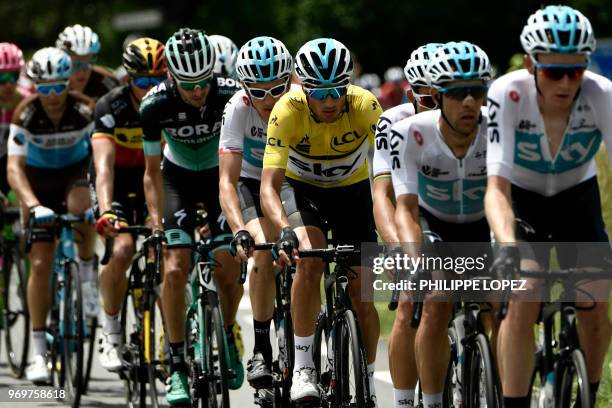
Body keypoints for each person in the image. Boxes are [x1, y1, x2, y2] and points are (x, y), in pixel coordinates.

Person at [485, 6, 612, 408]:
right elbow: (496, 189)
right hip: (521, 199)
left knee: (595, 298)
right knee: (525, 290)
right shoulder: (506, 94)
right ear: (530, 64)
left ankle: (588, 394)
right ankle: (514, 401)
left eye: (576, 70)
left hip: (577, 195)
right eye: (554, 71)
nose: (567, 82)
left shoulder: (602, 95)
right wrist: (508, 244)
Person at [260, 37, 382, 406]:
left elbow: (392, 170)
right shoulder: (287, 110)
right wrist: (283, 229)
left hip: (352, 193)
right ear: (303, 88)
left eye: (337, 90)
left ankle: (369, 380)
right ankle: (303, 366)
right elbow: (269, 185)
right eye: (319, 91)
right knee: (309, 260)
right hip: (304, 192)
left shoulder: (365, 106)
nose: (329, 100)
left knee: (364, 294)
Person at [140, 27, 243, 405]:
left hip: (220, 177)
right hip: (176, 180)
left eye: (204, 82)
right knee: (174, 267)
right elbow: (151, 172)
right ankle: (178, 365)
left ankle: (228, 331)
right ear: (171, 77)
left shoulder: (231, 93)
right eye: (188, 84)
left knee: (228, 265)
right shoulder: (154, 105)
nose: (198, 91)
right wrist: (155, 221)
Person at [392, 41, 492, 408]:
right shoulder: (410, 132)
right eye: (457, 93)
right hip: (432, 222)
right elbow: (403, 207)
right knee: (436, 300)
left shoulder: (496, 126)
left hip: (484, 220)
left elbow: (512, 194)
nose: (469, 102)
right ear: (436, 94)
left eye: (477, 92)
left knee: (502, 301)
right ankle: (432, 401)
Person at [7, 47, 96, 383]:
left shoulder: (84, 110)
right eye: (44, 89)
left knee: (81, 209)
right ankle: (39, 352)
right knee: (41, 263)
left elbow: (100, 160)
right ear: (36, 88)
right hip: (38, 184)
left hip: (74, 174)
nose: (53, 95)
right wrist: (31, 206)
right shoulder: (25, 114)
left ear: (67, 83)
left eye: (59, 87)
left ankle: (87, 281)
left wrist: (98, 201)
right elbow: (14, 170)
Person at [219, 35, 294, 404]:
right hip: (251, 182)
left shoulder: (303, 100)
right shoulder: (236, 108)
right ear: (243, 87)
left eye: (278, 88)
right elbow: (227, 182)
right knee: (262, 249)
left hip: (294, 181)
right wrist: (237, 231)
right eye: (258, 92)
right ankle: (262, 348)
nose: (268, 100)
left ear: (291, 80)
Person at [91, 37, 167, 372]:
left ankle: (168, 341)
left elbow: (170, 161)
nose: (150, 88)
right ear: (128, 79)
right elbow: (103, 168)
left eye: (157, 80)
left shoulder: (168, 104)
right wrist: (106, 209)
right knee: (121, 250)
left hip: (154, 181)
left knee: (164, 253)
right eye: (142, 81)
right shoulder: (110, 106)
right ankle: (111, 334)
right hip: (118, 184)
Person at [372, 43, 440, 408]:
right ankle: (401, 402)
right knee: (410, 303)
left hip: (457, 208)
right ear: (412, 94)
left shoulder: (471, 114)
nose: (440, 111)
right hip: (409, 210)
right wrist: (396, 248)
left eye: (447, 98)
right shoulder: (393, 122)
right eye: (429, 102)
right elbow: (382, 195)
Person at [56, 24, 119, 100]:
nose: (82, 73)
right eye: (75, 65)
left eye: (88, 64)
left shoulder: (109, 81)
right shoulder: (49, 83)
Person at [0, 42, 31, 196]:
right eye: (2, 78)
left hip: (16, 164)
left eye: (14, 76)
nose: (8, 84)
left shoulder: (28, 102)